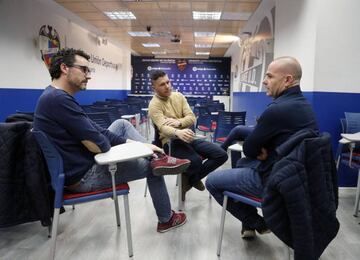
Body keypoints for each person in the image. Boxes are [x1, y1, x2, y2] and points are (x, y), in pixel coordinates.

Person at [33, 48, 191, 233]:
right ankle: (166, 219)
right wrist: (104, 142)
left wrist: (140, 145)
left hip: (79, 163)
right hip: (83, 175)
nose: (88, 75)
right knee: (153, 169)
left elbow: (97, 132)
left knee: (120, 124)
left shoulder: (54, 95)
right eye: (84, 69)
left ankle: (153, 155)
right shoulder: (59, 100)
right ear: (64, 68)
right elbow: (98, 145)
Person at [206, 56, 318, 239]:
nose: (265, 82)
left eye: (269, 76)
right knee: (242, 162)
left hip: (275, 183)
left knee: (212, 181)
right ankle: (249, 224)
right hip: (297, 179)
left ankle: (258, 223)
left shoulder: (276, 109)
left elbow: (250, 149)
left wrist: (261, 148)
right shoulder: (305, 105)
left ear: (287, 80)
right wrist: (267, 148)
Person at [148, 70, 228, 201]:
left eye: (168, 82)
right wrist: (177, 132)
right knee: (195, 160)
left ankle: (190, 179)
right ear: (154, 87)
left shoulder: (179, 96)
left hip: (189, 138)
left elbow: (191, 118)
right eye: (162, 84)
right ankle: (192, 178)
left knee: (221, 155)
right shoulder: (154, 104)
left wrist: (178, 122)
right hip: (171, 142)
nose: (167, 86)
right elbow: (163, 127)